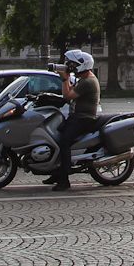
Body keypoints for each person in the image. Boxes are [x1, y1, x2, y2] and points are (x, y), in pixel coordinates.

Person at [46, 49, 100, 192]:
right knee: (55, 137)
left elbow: (68, 96)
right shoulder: (84, 79)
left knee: (64, 142)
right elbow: (70, 93)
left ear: (82, 65)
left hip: (83, 119)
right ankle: (57, 172)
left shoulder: (88, 82)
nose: (70, 67)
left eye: (72, 65)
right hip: (77, 117)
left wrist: (65, 79)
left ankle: (64, 180)